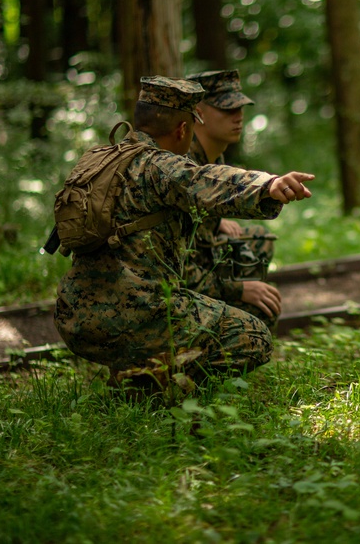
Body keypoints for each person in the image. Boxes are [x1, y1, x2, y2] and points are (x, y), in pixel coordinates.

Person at [53, 75, 314, 388]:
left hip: (75, 316)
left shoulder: (102, 159)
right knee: (254, 337)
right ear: (183, 130)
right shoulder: (160, 166)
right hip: (134, 316)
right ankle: (147, 387)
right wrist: (267, 185)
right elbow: (205, 180)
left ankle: (139, 373)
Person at [185, 70, 282, 328]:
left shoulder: (211, 154)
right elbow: (176, 269)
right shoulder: (182, 166)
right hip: (170, 287)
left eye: (239, 108)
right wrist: (236, 290)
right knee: (257, 313)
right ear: (199, 113)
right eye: (227, 109)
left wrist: (215, 223)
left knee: (257, 241)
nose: (238, 117)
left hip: (195, 264)